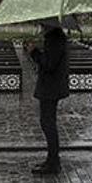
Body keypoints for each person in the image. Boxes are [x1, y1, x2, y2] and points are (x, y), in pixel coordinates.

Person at [25, 20, 69, 174]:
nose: (41, 26)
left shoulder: (55, 38)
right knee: (47, 123)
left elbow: (49, 64)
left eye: (43, 24)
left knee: (48, 124)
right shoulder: (55, 36)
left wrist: (34, 52)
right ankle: (51, 160)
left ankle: (53, 163)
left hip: (51, 88)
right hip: (52, 87)